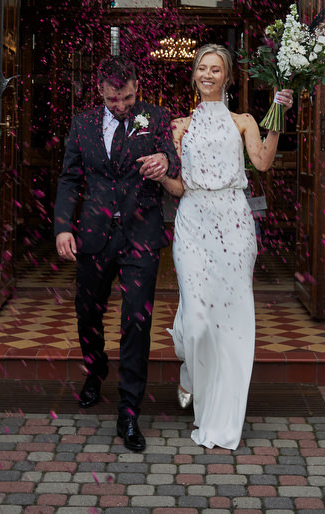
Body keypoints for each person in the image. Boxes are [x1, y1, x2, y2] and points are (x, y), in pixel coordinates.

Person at [157, 44, 292, 449]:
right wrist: (159, 174)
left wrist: (277, 117)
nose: (208, 74)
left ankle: (220, 414)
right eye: (202, 68)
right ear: (194, 75)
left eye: (216, 69)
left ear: (227, 77)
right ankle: (191, 372)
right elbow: (178, 186)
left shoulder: (243, 121)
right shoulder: (179, 127)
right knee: (197, 322)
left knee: (230, 323)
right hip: (193, 220)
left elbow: (262, 162)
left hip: (233, 222)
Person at [52, 56, 181, 452]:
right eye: (113, 99)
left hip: (141, 234)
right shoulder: (82, 124)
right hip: (95, 236)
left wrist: (165, 161)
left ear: (136, 87)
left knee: (137, 322)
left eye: (126, 98)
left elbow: (175, 159)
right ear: (100, 91)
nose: (121, 106)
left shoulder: (156, 118)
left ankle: (129, 410)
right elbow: (70, 178)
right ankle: (95, 371)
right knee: (87, 312)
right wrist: (62, 226)